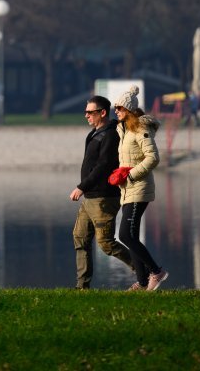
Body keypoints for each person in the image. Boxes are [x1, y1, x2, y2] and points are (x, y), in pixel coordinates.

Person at [69, 95, 134, 289]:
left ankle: (145, 271)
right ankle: (82, 287)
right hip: (90, 198)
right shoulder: (95, 133)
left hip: (104, 197)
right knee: (80, 238)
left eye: (90, 112)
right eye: (86, 112)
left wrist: (82, 187)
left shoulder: (111, 134)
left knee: (106, 243)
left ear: (102, 113)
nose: (86, 116)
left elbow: (104, 165)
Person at [111, 85, 168, 291]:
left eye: (119, 108)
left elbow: (153, 158)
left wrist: (131, 174)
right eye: (115, 108)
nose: (115, 111)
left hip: (139, 187)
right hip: (127, 189)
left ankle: (156, 272)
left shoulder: (140, 129)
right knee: (130, 235)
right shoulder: (123, 129)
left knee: (125, 235)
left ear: (128, 109)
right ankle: (143, 282)